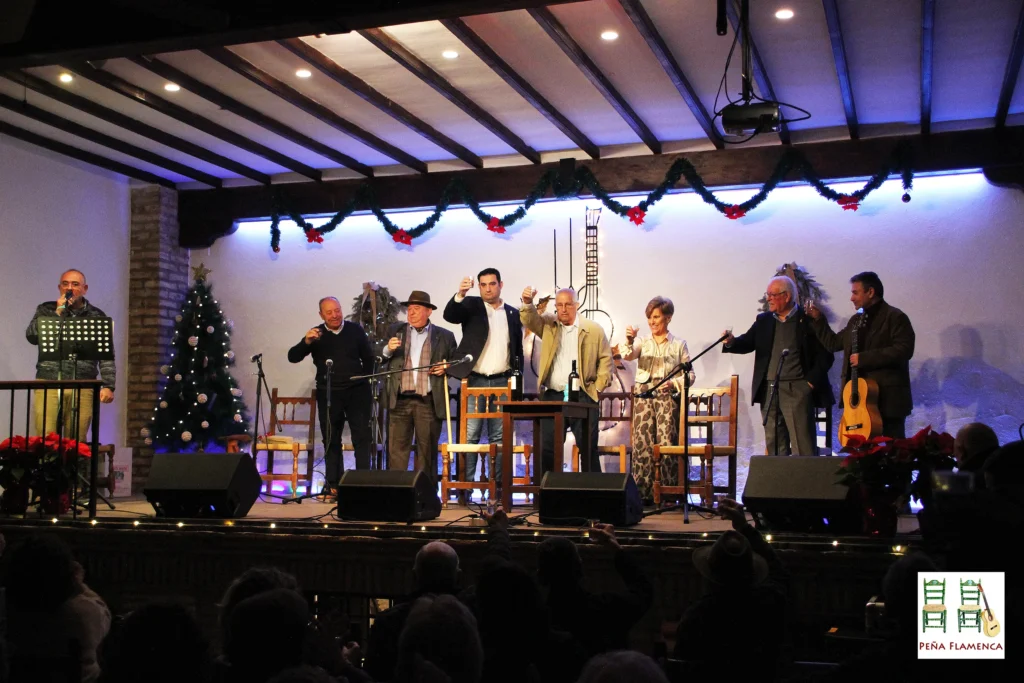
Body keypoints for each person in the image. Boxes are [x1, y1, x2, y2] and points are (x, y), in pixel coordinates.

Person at [722, 276, 834, 456]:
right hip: (769, 389)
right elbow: (747, 342)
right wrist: (731, 342)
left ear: (787, 296)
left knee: (802, 444)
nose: (768, 299)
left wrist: (809, 384)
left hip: (797, 388)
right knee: (774, 443)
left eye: (772, 295)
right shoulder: (764, 320)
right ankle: (778, 483)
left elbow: (826, 355)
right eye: (768, 294)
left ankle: (803, 483)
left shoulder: (807, 320)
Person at [442, 269, 524, 495]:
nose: (488, 288)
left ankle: (497, 490)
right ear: (478, 287)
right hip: (475, 380)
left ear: (501, 285)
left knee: (499, 436)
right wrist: (460, 293)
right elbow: (450, 315)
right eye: (483, 285)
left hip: (503, 381)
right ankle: (466, 490)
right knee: (470, 436)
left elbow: (517, 350)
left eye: (492, 284)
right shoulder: (472, 306)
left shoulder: (512, 313)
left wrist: (518, 383)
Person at [807, 271, 915, 438]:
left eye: (855, 292)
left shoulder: (895, 317)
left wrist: (864, 359)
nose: (851, 298)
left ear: (870, 292)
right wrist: (818, 319)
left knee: (892, 452)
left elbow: (904, 349)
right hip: (861, 404)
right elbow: (833, 343)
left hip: (888, 402)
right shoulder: (856, 321)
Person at [520, 286, 612, 473]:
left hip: (583, 395)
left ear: (576, 305)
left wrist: (598, 387)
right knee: (548, 449)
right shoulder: (548, 325)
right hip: (553, 395)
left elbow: (606, 360)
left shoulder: (593, 329)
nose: (563, 309)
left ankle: (594, 494)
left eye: (568, 304)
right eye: (559, 305)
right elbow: (529, 320)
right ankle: (549, 494)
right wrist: (528, 303)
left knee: (588, 448)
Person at [288, 297, 374, 489]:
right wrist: (306, 342)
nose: (335, 315)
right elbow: (292, 357)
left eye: (337, 310)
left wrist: (363, 380)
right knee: (331, 439)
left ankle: (362, 485)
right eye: (329, 312)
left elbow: (369, 359)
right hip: (329, 394)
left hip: (357, 392)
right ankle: (334, 484)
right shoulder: (316, 335)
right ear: (321, 315)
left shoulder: (355, 330)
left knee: (361, 438)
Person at [616, 296, 695, 501]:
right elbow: (628, 354)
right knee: (643, 442)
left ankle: (667, 491)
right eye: (650, 317)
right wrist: (630, 340)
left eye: (656, 317)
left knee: (666, 440)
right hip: (644, 393)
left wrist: (675, 383)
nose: (652, 322)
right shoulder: (643, 342)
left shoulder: (678, 344)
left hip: (667, 395)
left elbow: (690, 375)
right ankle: (642, 493)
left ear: (668, 318)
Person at [25, 269, 115, 441]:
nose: (69, 288)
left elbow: (106, 354)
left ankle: (75, 469)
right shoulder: (45, 310)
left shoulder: (96, 315)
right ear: (59, 287)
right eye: (65, 284)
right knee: (46, 439)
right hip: (48, 382)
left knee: (77, 440)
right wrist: (57, 313)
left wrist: (109, 385)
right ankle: (48, 468)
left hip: (83, 383)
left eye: (75, 284)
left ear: (85, 288)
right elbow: (32, 336)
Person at [382, 291, 458, 493]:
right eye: (409, 309)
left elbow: (455, 364)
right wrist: (387, 350)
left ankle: (424, 495)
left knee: (427, 452)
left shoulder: (445, 336)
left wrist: (446, 368)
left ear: (428, 311)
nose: (411, 313)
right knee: (397, 451)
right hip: (399, 400)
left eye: (416, 309)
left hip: (428, 401)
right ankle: (396, 493)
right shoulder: (394, 330)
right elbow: (377, 356)